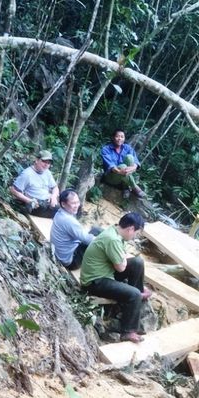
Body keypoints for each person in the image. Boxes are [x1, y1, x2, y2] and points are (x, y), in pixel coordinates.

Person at [80, 212, 153, 344]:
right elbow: (121, 267)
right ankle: (128, 331)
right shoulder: (113, 239)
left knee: (137, 262)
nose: (135, 236)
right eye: (136, 233)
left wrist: (123, 258)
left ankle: (135, 298)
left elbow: (123, 258)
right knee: (134, 294)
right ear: (130, 229)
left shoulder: (115, 231)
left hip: (106, 272)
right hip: (95, 281)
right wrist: (123, 259)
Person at [50, 189, 101, 270]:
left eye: (77, 202)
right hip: (70, 261)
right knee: (98, 234)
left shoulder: (60, 212)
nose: (77, 205)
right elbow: (88, 240)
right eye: (73, 203)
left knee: (95, 231)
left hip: (61, 255)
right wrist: (105, 241)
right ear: (63, 204)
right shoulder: (69, 220)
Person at [10, 150, 59, 218]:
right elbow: (13, 190)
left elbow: (55, 187)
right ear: (36, 160)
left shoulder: (47, 172)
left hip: (47, 201)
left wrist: (53, 196)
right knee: (56, 211)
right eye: (44, 161)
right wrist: (29, 200)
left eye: (48, 163)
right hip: (35, 203)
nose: (46, 165)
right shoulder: (27, 174)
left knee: (67, 205)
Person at [100, 129, 147, 199]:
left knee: (130, 157)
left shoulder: (127, 147)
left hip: (124, 173)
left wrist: (134, 167)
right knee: (123, 166)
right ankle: (134, 187)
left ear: (124, 138)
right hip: (111, 177)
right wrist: (120, 171)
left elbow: (135, 161)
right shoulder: (106, 149)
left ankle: (125, 186)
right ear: (113, 138)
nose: (120, 139)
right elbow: (111, 166)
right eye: (117, 136)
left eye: (122, 137)